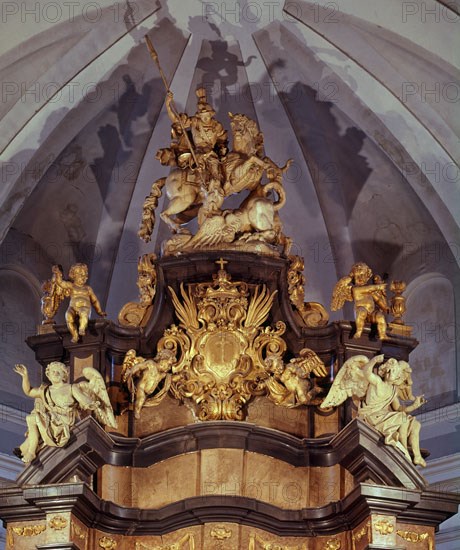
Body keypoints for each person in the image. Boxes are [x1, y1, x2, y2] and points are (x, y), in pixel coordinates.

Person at [13, 362, 95, 463]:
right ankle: (29, 450)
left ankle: (27, 450)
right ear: (48, 375)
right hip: (51, 417)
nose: (55, 373)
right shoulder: (45, 390)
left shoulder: (70, 388)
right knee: (31, 418)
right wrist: (25, 376)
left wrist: (92, 404)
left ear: (64, 375)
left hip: (64, 419)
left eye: (58, 372)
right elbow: (29, 391)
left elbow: (84, 400)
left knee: (34, 418)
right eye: (53, 372)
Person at [359, 355, 426, 466]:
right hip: (372, 416)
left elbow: (399, 408)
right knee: (403, 418)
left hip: (384, 416)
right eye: (391, 370)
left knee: (416, 425)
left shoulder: (393, 390)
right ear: (385, 371)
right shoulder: (377, 382)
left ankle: (417, 456)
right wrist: (374, 361)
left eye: (395, 372)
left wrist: (415, 406)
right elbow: (367, 373)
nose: (392, 373)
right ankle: (404, 452)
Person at [164, 88, 228, 190]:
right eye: (202, 116)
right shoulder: (195, 122)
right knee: (198, 170)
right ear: (199, 116)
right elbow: (176, 120)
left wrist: (222, 149)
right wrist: (168, 105)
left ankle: (216, 190)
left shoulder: (217, 125)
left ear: (211, 114)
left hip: (211, 154)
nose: (205, 118)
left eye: (207, 115)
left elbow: (222, 139)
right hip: (198, 153)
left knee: (216, 171)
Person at [52, 263, 106, 343]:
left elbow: (94, 301)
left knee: (84, 313)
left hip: (84, 307)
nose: (83, 277)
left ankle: (82, 328)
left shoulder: (88, 288)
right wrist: (57, 273)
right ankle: (75, 334)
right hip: (72, 307)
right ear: (74, 276)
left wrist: (99, 311)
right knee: (68, 316)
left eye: (84, 275)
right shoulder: (71, 286)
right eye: (80, 275)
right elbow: (61, 283)